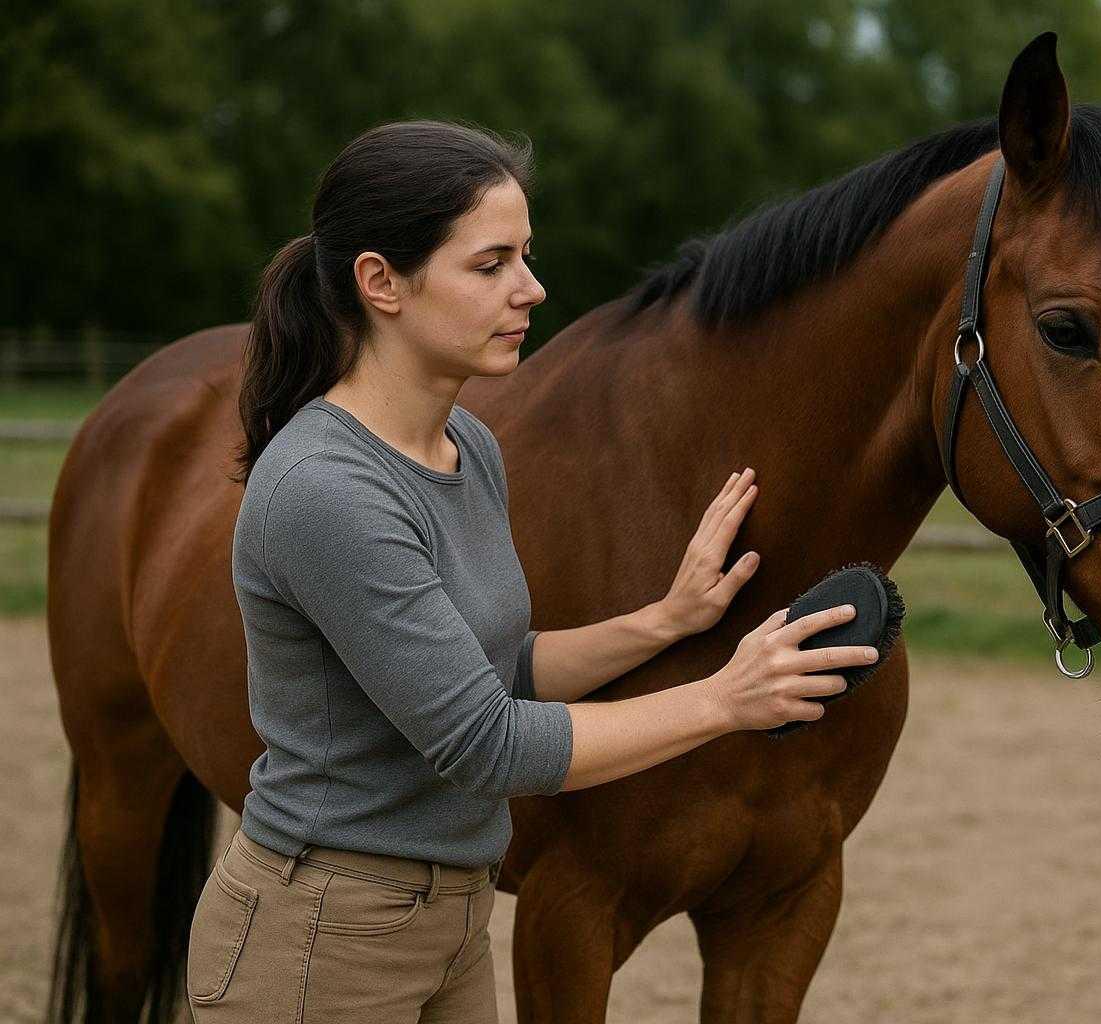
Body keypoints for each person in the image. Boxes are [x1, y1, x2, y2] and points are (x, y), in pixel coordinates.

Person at [185, 119, 877, 1023]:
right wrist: (724, 701)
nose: (532, 289)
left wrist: (664, 621)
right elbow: (486, 744)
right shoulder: (327, 491)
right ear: (380, 282)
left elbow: (494, 671)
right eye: (492, 264)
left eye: (527, 256)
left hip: (453, 925)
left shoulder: (467, 443)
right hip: (321, 937)